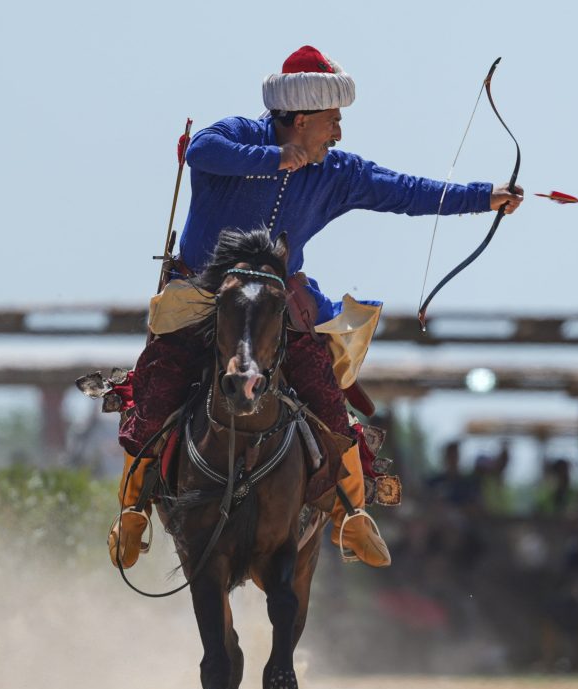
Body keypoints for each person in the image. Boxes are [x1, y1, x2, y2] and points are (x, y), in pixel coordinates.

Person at [110, 46, 524, 570]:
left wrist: (485, 196)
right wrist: (275, 159)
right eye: (333, 121)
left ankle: (351, 513)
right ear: (300, 120)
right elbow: (201, 151)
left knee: (324, 393)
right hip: (201, 298)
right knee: (157, 387)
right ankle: (133, 509)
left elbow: (404, 190)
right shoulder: (237, 136)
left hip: (275, 308)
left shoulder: (336, 172)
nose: (339, 133)